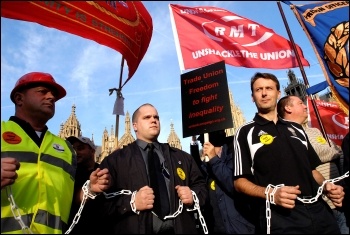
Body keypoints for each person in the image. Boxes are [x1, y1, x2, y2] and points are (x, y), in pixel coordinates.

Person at [233, 72, 345, 234]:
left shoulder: (297, 129)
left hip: (319, 212)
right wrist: (271, 194)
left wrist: (327, 186)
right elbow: (239, 182)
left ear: (278, 93)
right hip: (281, 218)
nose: (264, 93)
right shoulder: (245, 132)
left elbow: (312, 170)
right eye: (259, 90)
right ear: (252, 97)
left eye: (269, 88)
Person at [1, 72, 109, 234]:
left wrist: (89, 190)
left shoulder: (65, 148)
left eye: (53, 95)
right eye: (42, 91)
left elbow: (69, 198)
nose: (51, 97)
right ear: (19, 98)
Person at [99, 103, 208, 234]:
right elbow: (100, 203)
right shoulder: (115, 160)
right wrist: (131, 203)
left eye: (156, 117)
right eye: (147, 117)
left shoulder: (181, 157)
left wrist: (193, 195)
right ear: (134, 125)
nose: (153, 120)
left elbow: (200, 185)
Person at [277, 95, 349, 234]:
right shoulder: (286, 132)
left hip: (339, 193)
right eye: (300, 103)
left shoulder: (313, 130)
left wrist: (334, 152)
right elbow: (317, 154)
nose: (305, 106)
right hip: (321, 201)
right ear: (288, 108)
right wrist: (335, 152)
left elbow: (333, 151)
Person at [190, 130, 255, 234]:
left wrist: (214, 159)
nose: (203, 149)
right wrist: (193, 141)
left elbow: (232, 184)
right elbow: (196, 170)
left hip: (240, 227)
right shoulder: (208, 166)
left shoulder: (235, 157)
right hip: (218, 228)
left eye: (204, 145)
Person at [66, 136, 108, 234]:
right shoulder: (70, 173)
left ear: (92, 151)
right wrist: (90, 189)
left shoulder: (103, 170)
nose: (76, 152)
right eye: (73, 149)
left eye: (80, 148)